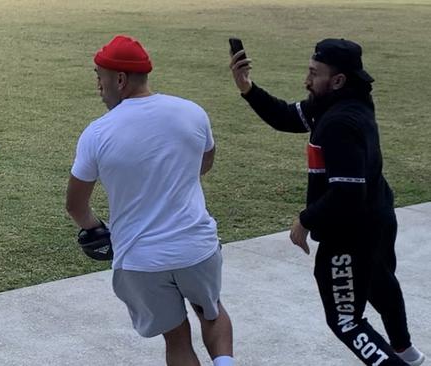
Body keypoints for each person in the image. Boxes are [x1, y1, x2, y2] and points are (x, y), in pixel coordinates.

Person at [229, 38, 425, 366]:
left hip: (350, 234)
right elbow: (286, 117)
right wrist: (247, 88)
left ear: (337, 81)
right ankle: (407, 354)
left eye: (313, 73)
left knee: (346, 320)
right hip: (377, 218)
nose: (306, 80)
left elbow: (347, 192)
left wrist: (304, 220)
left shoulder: (338, 123)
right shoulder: (346, 103)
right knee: (379, 284)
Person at [66, 35, 234, 366]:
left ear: (119, 80)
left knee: (177, 338)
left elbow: (75, 205)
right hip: (195, 248)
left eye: (100, 78)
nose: (98, 86)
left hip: (139, 261)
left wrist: (96, 229)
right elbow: (205, 162)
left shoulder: (97, 133)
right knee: (211, 313)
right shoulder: (193, 112)